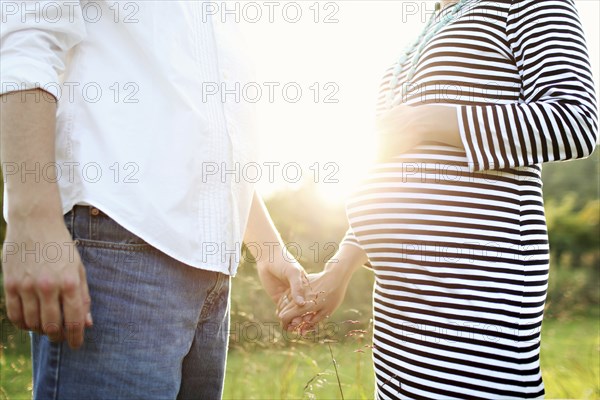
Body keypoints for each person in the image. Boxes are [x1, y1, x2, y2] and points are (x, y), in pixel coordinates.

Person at [279, 0, 598, 399]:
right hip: (399, 316)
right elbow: (393, 175)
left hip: (473, 299)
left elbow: (575, 121)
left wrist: (423, 119)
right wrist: (339, 268)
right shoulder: (431, 20)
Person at [0, 2, 307, 398]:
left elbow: (212, 127)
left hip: (211, 275)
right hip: (116, 247)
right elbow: (27, 32)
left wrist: (267, 247)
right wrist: (32, 219)